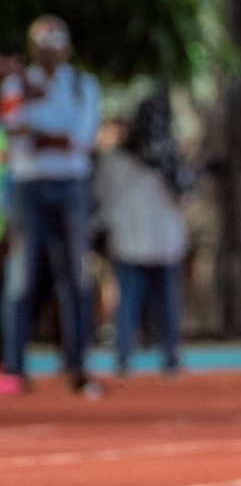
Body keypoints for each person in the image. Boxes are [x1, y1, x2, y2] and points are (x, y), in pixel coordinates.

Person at [0, 17, 103, 396]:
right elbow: (14, 132)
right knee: (21, 278)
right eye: (42, 43)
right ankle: (13, 367)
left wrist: (39, 132)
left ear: (68, 48)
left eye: (56, 42)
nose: (49, 50)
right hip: (28, 187)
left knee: (75, 276)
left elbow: (82, 136)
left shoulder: (82, 85)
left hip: (72, 186)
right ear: (31, 48)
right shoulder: (16, 85)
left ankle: (76, 366)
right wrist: (46, 134)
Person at [95, 88, 193, 379]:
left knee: (131, 300)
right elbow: (186, 196)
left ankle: (126, 359)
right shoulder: (170, 160)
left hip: (134, 240)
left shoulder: (115, 159)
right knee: (157, 301)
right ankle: (168, 359)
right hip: (157, 241)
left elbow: (99, 195)